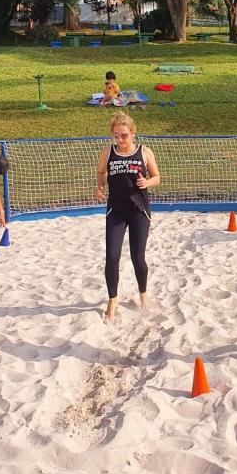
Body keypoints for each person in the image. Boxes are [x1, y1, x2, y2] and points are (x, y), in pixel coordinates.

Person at [94, 111, 161, 322]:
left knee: (137, 257)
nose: (120, 140)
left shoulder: (144, 152)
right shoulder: (108, 152)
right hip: (116, 210)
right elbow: (101, 172)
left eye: (124, 135)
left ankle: (143, 293)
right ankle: (112, 299)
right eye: (116, 135)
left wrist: (147, 183)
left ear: (133, 133)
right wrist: (100, 187)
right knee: (112, 257)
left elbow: (157, 177)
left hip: (139, 211)